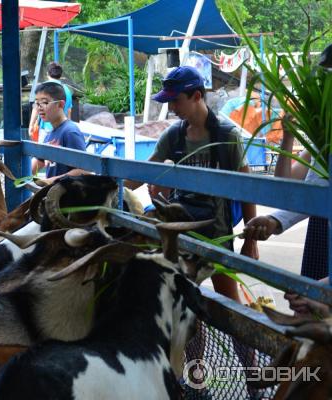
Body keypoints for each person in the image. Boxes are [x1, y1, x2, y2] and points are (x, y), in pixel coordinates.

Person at [125, 66, 259, 303]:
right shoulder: (173, 135)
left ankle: (240, 343)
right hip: (180, 232)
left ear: (197, 96)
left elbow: (246, 188)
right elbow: (145, 173)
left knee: (229, 303)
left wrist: (251, 240)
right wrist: (110, 186)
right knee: (181, 300)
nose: (172, 108)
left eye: (176, 101)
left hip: (216, 235)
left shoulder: (227, 137)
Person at [243, 43, 331, 281]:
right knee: (312, 310)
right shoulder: (322, 140)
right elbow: (288, 186)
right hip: (321, 232)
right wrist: (288, 137)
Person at [30, 82, 87, 185]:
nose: (39, 107)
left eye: (45, 102)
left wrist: (50, 181)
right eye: (37, 103)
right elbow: (39, 162)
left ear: (60, 104)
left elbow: (84, 171)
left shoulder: (70, 132)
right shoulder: (49, 135)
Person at [28, 61, 73, 142]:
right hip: (61, 130)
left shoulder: (43, 88)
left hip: (46, 130)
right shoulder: (67, 90)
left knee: (43, 153)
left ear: (47, 73)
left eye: (45, 102)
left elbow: (36, 108)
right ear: (60, 75)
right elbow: (69, 111)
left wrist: (31, 125)